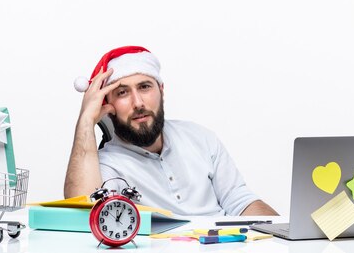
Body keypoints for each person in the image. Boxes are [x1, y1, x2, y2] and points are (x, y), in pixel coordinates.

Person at [64, 46, 278, 216]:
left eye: (145, 87)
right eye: (122, 92)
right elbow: (84, 213)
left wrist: (284, 234)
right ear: (107, 106)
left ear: (161, 91)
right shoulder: (105, 165)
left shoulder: (200, 137)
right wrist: (85, 120)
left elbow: (239, 201)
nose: (138, 102)